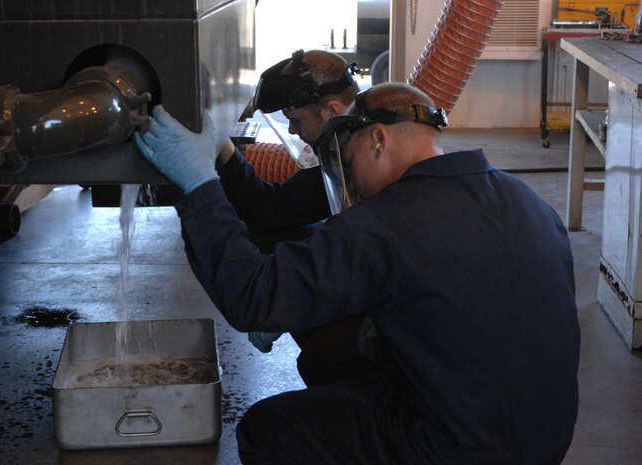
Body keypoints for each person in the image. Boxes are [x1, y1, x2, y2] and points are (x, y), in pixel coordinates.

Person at [134, 82, 580, 464]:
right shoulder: (527, 199)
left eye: (348, 163)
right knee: (328, 356)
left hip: (458, 449)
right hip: (545, 440)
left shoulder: (389, 220)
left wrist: (200, 187)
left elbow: (254, 298)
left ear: (378, 141)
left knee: (264, 430)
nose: (354, 184)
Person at [216, 49, 371, 387]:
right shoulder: (339, 154)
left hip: (396, 314)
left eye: (297, 120)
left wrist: (292, 296)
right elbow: (273, 211)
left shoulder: (373, 162)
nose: (293, 130)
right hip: (367, 277)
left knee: (323, 359)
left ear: (332, 110)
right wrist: (223, 149)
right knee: (276, 236)